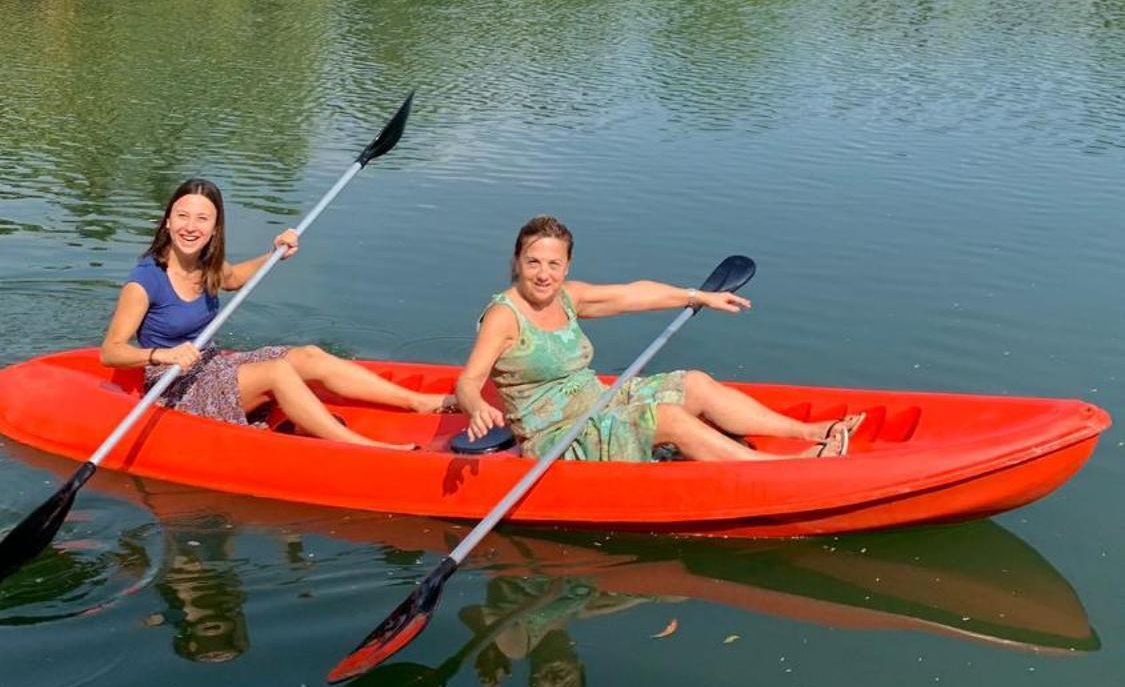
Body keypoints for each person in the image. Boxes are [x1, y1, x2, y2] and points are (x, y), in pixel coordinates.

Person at [455, 215, 863, 465]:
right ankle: (777, 470)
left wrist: (697, 296)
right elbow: (469, 382)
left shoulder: (568, 295)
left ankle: (811, 432)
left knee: (695, 384)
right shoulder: (504, 316)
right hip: (559, 437)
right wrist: (476, 408)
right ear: (516, 262)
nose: (543, 274)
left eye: (553, 263)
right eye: (533, 262)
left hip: (597, 401)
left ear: (567, 265)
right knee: (666, 418)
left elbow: (634, 294)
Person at [101, 176, 452, 446]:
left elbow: (235, 278)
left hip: (212, 366)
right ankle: (362, 448)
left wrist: (274, 254)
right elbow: (112, 352)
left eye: (202, 219)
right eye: (182, 216)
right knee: (278, 372)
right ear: (167, 221)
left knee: (308, 356)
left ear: (214, 227)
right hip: (173, 387)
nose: (191, 227)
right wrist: (164, 356)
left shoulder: (207, 264)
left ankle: (417, 401)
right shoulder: (144, 281)